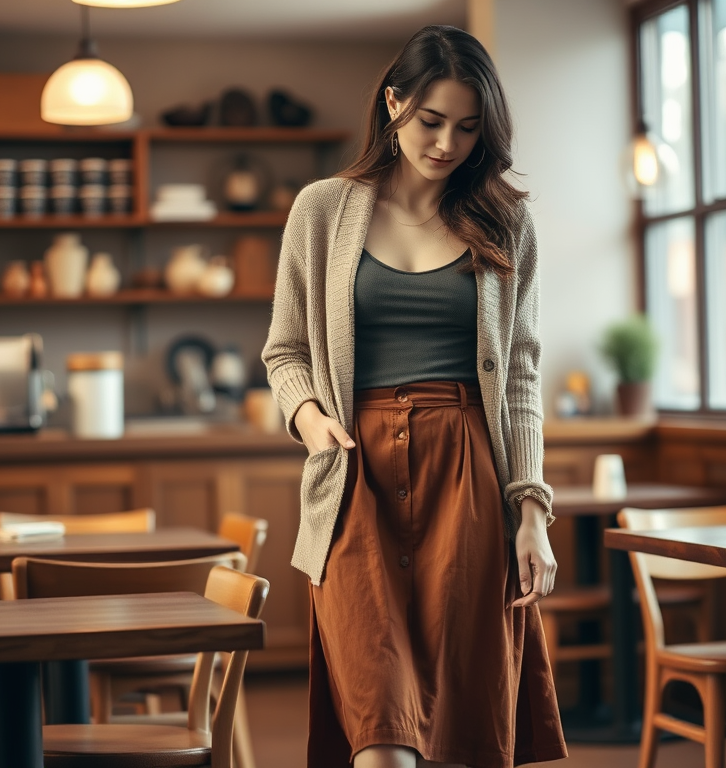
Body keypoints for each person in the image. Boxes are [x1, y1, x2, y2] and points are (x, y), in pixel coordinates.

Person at [262, 24, 566, 768]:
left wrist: (531, 511)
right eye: (430, 121)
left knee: (463, 730)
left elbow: (520, 375)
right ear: (394, 102)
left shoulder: (507, 221)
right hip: (353, 478)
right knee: (380, 732)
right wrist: (310, 420)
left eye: (467, 128)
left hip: (466, 474)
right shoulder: (322, 210)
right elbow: (285, 350)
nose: (446, 143)